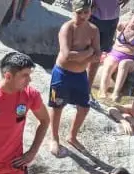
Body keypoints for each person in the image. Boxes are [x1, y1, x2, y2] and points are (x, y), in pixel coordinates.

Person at [48, 0, 100, 158]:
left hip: (80, 75)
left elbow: (98, 55)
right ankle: (54, 138)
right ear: (73, 11)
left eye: (86, 12)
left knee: (84, 108)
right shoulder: (67, 28)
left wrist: (81, 57)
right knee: (57, 106)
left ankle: (72, 136)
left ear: (91, 11)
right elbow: (67, 55)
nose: (83, 16)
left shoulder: (93, 30)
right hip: (62, 74)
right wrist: (88, 52)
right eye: (79, 12)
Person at [98, 6, 134, 102]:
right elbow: (109, 37)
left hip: (130, 58)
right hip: (115, 53)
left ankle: (116, 93)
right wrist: (104, 52)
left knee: (124, 64)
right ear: (131, 14)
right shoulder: (121, 25)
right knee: (109, 64)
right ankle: (102, 92)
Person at [87, 0, 123, 90]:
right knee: (85, 50)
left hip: (112, 19)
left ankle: (87, 89)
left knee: (97, 55)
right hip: (94, 16)